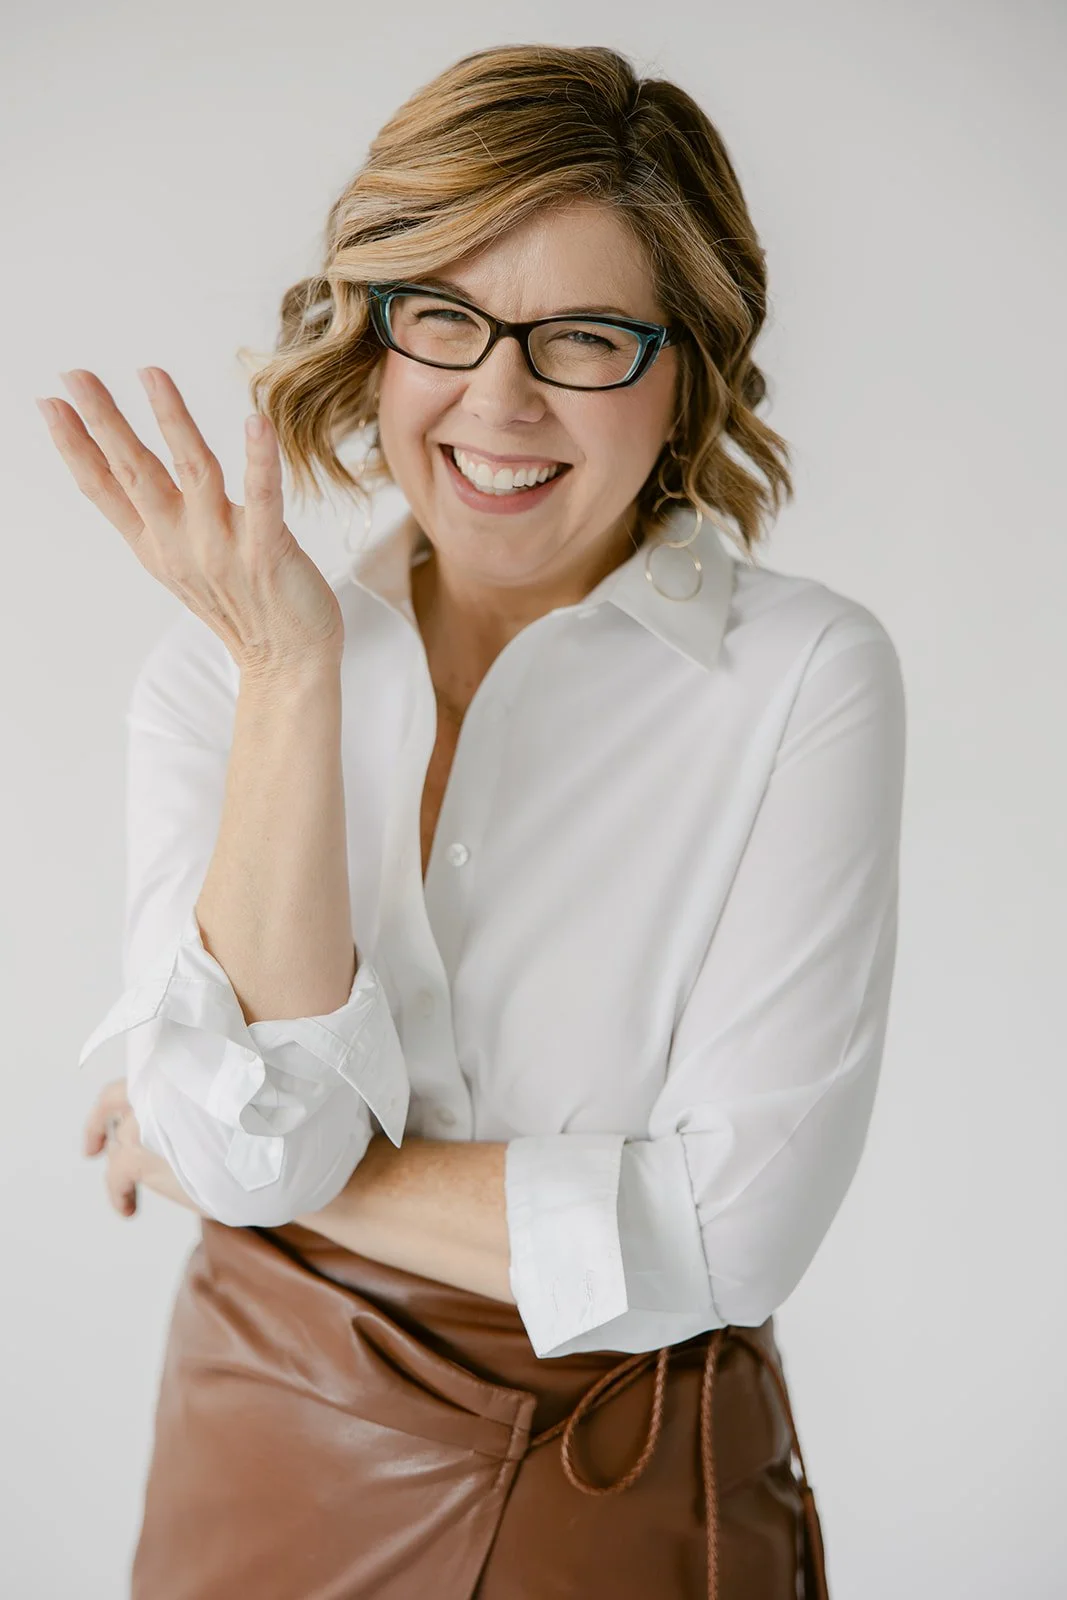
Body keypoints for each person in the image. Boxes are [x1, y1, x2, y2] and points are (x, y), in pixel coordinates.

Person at [52, 42, 905, 1600]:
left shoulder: (801, 676)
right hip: (253, 1450)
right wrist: (293, 678)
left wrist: (266, 1167)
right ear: (374, 337)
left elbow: (726, 1236)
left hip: (614, 1489)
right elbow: (251, 1156)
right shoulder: (224, 670)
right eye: (443, 317)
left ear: (684, 367)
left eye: (582, 338)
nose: (497, 400)